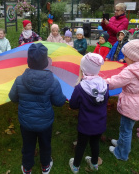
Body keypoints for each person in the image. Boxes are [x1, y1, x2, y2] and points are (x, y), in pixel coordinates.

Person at [8, 43, 66, 174]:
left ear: (28, 61)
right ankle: (45, 166)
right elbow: (59, 102)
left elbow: (13, 97)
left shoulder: (19, 80)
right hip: (45, 123)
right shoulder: (53, 81)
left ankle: (27, 168)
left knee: (28, 146)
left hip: (26, 122)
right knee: (45, 144)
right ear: (46, 62)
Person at [68, 53, 109, 173]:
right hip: (100, 123)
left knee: (81, 144)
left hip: (85, 124)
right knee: (95, 143)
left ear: (83, 69)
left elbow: (73, 105)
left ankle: (75, 166)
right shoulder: (105, 85)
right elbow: (105, 100)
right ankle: (94, 163)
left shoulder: (80, 88)